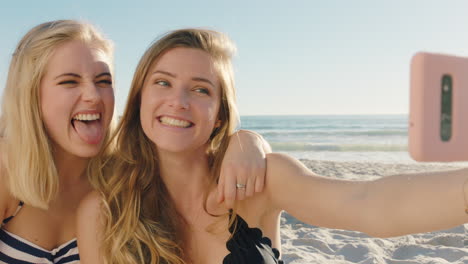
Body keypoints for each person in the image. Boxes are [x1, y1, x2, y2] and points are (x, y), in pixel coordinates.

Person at [76, 29, 468, 264]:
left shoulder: (262, 180)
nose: (179, 101)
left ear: (220, 112)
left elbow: (370, 203)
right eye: (162, 82)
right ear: (140, 97)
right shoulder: (103, 210)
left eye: (200, 89)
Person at [0, 21, 270, 264]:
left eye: (103, 81)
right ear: (30, 95)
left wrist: (248, 140)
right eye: (69, 82)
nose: (93, 95)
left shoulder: (121, 179)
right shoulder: (6, 169)